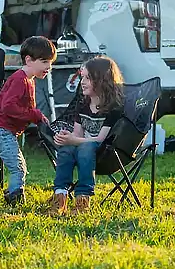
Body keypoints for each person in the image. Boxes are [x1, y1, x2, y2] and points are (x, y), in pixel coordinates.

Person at [0, 36, 55, 206]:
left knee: (17, 164)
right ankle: (15, 199)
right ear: (28, 60)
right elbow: (8, 107)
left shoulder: (29, 80)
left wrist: (37, 116)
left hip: (3, 129)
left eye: (50, 63)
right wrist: (34, 114)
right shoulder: (19, 80)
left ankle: (11, 192)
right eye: (44, 62)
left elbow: (26, 109)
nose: (48, 67)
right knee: (18, 167)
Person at [49, 56, 125, 215]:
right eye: (82, 77)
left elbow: (99, 140)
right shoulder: (83, 105)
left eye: (87, 78)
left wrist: (74, 140)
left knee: (86, 147)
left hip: (104, 152)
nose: (82, 82)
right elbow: (77, 134)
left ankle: (82, 200)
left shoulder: (113, 108)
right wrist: (66, 137)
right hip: (83, 148)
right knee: (66, 149)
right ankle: (60, 196)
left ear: (102, 80)